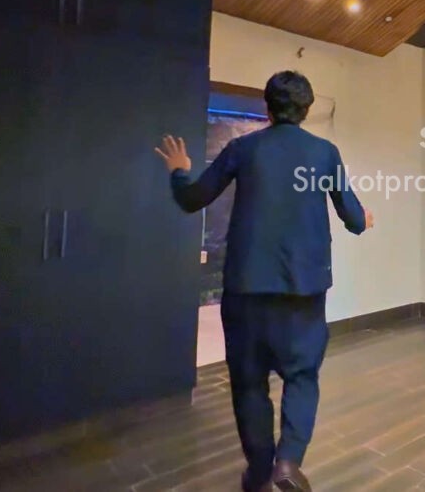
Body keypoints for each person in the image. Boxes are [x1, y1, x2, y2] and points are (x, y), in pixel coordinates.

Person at [154, 71, 372, 492]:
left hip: (246, 290)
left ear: (266, 108)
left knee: (249, 384)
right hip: (304, 292)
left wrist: (180, 171)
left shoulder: (243, 148)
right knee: (302, 377)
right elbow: (354, 218)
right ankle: (288, 463)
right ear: (306, 110)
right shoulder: (325, 153)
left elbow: (192, 199)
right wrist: (365, 219)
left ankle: (258, 472)